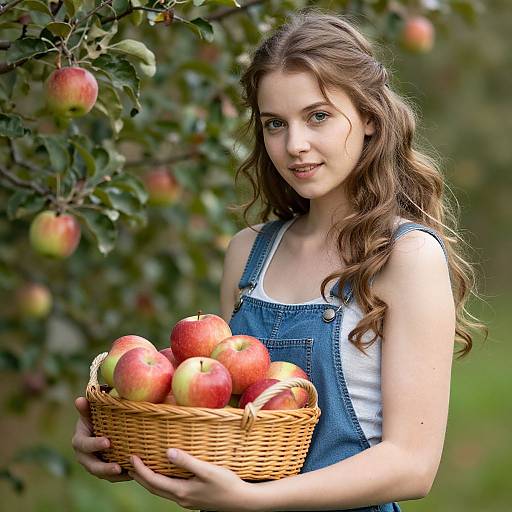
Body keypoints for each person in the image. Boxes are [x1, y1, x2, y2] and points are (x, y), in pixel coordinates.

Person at [72, 8, 487, 511]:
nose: (295, 146)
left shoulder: (404, 256)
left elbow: (412, 464)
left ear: (370, 119)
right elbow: (222, 412)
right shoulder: (249, 253)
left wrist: (256, 502)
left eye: (318, 116)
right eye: (275, 124)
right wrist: (125, 435)